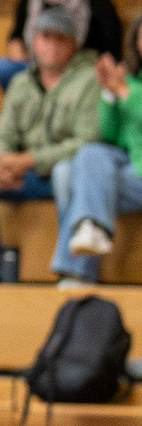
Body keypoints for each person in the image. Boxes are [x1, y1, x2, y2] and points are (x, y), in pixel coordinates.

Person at [0, 8, 99, 283]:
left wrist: (28, 160)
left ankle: (73, 270)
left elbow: (85, 143)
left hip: (61, 175)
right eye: (46, 37)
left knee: (65, 173)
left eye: (61, 39)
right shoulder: (21, 83)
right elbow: (2, 136)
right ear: (34, 41)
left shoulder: (88, 81)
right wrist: (0, 164)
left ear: (73, 44)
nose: (53, 46)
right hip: (24, 177)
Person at [52, 17, 142, 286]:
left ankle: (76, 272)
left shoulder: (129, 87)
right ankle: (92, 230)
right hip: (129, 165)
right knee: (86, 157)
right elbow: (109, 135)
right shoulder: (130, 80)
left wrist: (125, 93)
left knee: (73, 178)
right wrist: (109, 96)